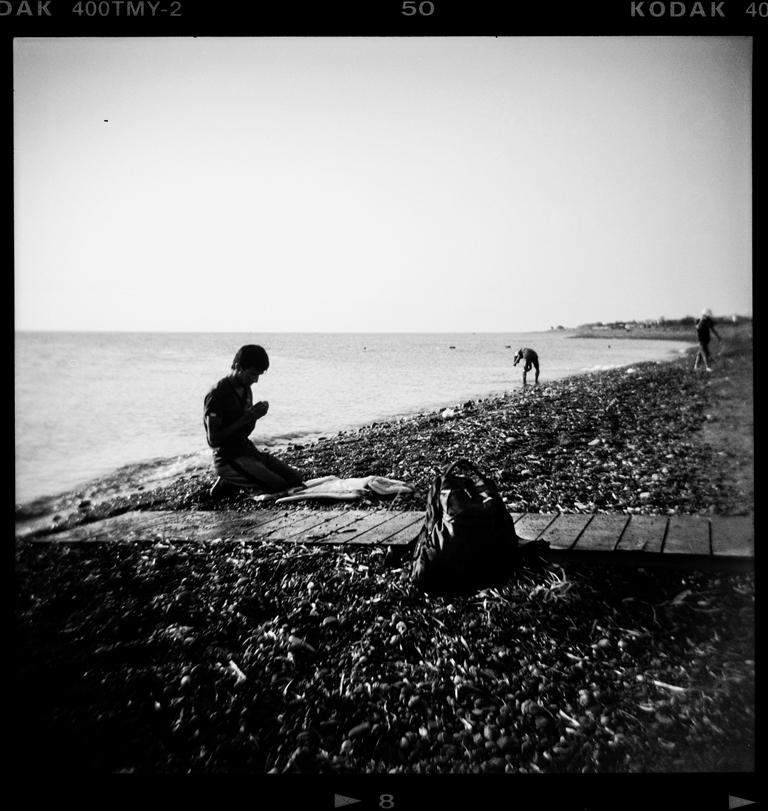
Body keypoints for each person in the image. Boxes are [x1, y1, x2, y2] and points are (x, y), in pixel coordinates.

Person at [204, 344, 305, 498]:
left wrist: (255, 416)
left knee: (295, 479)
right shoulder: (217, 394)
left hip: (248, 451)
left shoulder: (245, 388)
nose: (255, 380)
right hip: (227, 458)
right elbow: (213, 440)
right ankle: (231, 479)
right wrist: (247, 417)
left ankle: (233, 480)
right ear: (238, 366)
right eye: (252, 374)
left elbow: (246, 431)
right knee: (278, 485)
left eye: (258, 375)